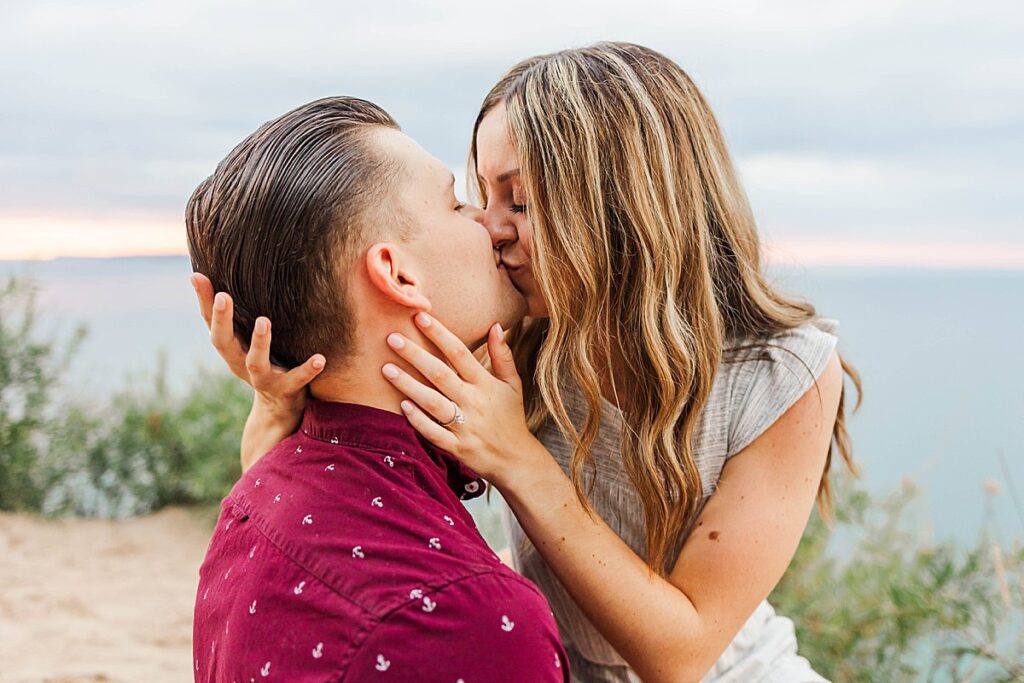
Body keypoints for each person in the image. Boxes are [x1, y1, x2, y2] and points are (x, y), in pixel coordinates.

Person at [196, 43, 861, 682]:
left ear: (627, 205)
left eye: (520, 200)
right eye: (480, 196)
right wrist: (288, 387)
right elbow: (355, 483)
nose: (490, 226)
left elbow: (681, 654)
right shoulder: (515, 331)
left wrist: (517, 456)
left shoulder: (784, 373)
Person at [185, 96, 569, 683]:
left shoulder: (252, 501)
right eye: (456, 202)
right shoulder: (469, 618)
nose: (489, 224)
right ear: (397, 274)